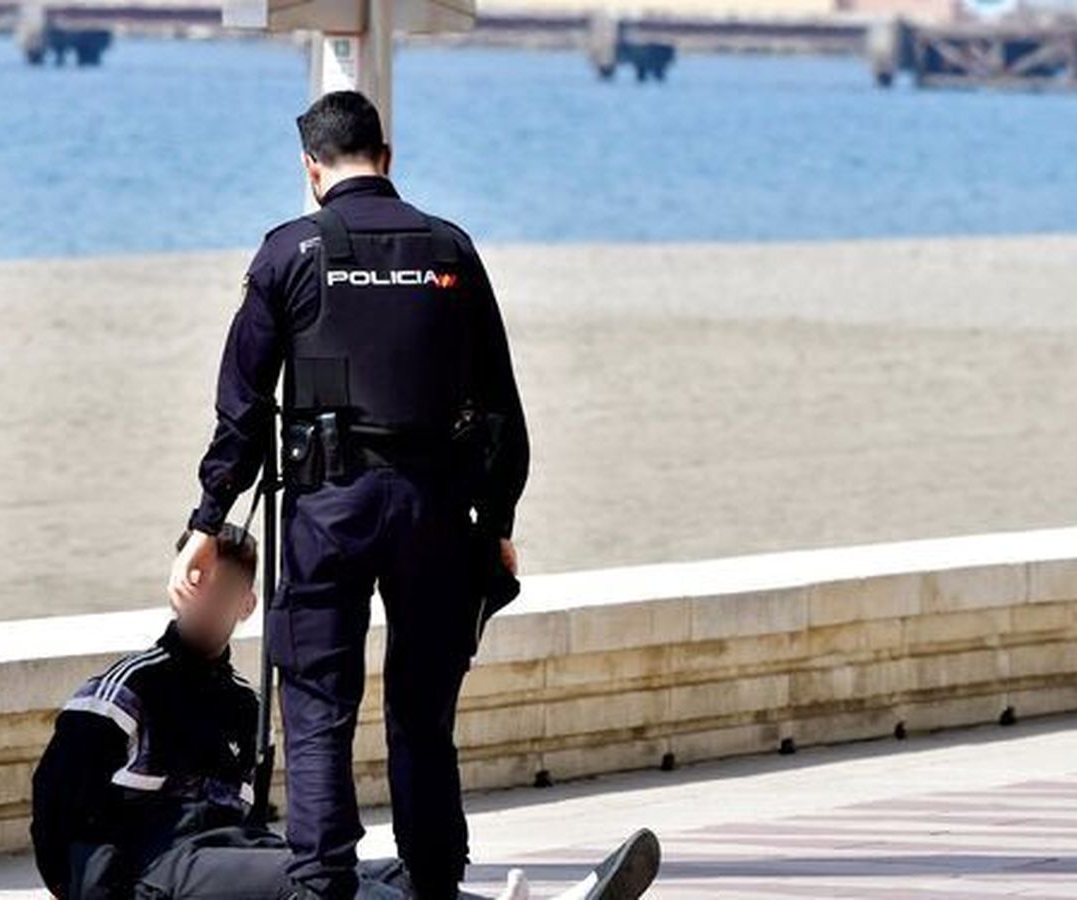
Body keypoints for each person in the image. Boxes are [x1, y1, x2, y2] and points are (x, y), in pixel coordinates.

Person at [168, 90, 530, 900]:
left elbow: (242, 405)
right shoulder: (451, 250)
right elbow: (500, 404)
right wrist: (497, 518)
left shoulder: (289, 254)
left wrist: (208, 518)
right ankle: (435, 883)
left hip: (327, 509)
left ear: (310, 168)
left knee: (318, 706)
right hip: (434, 510)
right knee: (422, 715)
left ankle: (322, 883)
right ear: (388, 159)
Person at [34, 529, 660, 900]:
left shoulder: (243, 705)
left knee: (390, 872)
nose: (208, 601)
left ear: (248, 603)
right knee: (314, 883)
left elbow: (244, 820)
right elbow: (55, 810)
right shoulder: (129, 688)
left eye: (223, 590)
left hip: (227, 850)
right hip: (153, 864)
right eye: (198, 583)